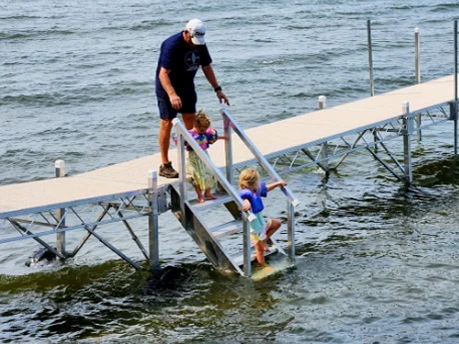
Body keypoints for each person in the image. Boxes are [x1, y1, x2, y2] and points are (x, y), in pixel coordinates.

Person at [155, 18, 230, 178]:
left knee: (191, 121)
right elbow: (163, 74)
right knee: (167, 122)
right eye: (193, 40)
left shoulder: (200, 45)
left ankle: (193, 158)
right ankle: (165, 164)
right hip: (167, 87)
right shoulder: (172, 45)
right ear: (186, 33)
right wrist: (172, 94)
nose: (195, 44)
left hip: (187, 86)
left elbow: (206, 66)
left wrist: (218, 89)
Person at [239, 168, 287, 267]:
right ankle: (262, 265)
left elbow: (266, 188)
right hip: (254, 229)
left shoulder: (255, 190)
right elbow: (245, 201)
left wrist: (278, 183)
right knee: (260, 251)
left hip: (261, 222)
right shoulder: (245, 194)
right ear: (254, 182)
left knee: (277, 223)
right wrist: (247, 204)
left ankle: (264, 241)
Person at [183, 110, 227, 203]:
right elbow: (182, 141)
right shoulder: (190, 134)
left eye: (205, 130)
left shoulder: (205, 133)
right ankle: (200, 196)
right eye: (202, 130)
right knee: (197, 176)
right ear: (195, 126)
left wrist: (223, 137)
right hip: (193, 158)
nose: (203, 132)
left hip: (204, 155)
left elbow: (211, 137)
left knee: (210, 174)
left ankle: (207, 193)